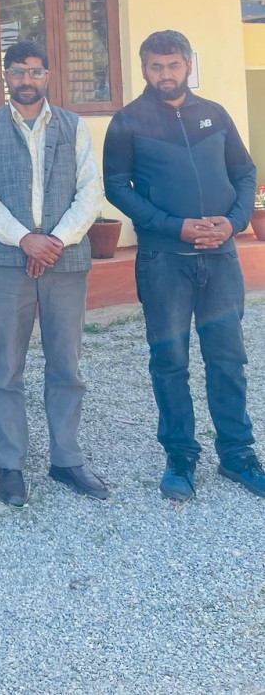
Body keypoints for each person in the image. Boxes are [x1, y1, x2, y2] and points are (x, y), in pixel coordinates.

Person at [103, 29, 265, 501]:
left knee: (228, 358)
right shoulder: (127, 121)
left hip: (221, 257)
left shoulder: (215, 114)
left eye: (173, 65)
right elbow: (117, 187)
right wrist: (175, 227)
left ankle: (237, 454)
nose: (166, 74)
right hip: (163, 261)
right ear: (144, 68)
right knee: (170, 362)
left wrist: (233, 222)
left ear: (188, 65)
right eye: (156, 67)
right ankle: (180, 456)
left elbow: (244, 172)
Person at [0, 40, 106, 508]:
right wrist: (25, 239)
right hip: (9, 261)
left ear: (47, 76)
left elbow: (90, 191)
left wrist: (54, 242)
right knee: (6, 366)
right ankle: (10, 464)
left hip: (65, 261)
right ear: (5, 76)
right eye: (17, 71)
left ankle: (66, 458)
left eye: (34, 71)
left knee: (65, 363)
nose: (25, 80)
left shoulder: (74, 125)